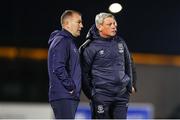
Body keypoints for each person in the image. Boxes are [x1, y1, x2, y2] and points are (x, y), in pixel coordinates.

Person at [79, 12, 137, 119]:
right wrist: (92, 95)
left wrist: (130, 85)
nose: (114, 26)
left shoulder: (120, 42)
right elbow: (83, 73)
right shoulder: (90, 47)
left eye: (115, 24)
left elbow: (129, 63)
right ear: (99, 26)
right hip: (101, 96)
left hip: (121, 96)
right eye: (109, 24)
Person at [47, 10, 83, 119]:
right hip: (64, 95)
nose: (81, 26)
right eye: (79, 22)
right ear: (67, 24)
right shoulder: (62, 41)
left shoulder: (68, 41)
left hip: (68, 95)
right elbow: (58, 67)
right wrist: (71, 87)